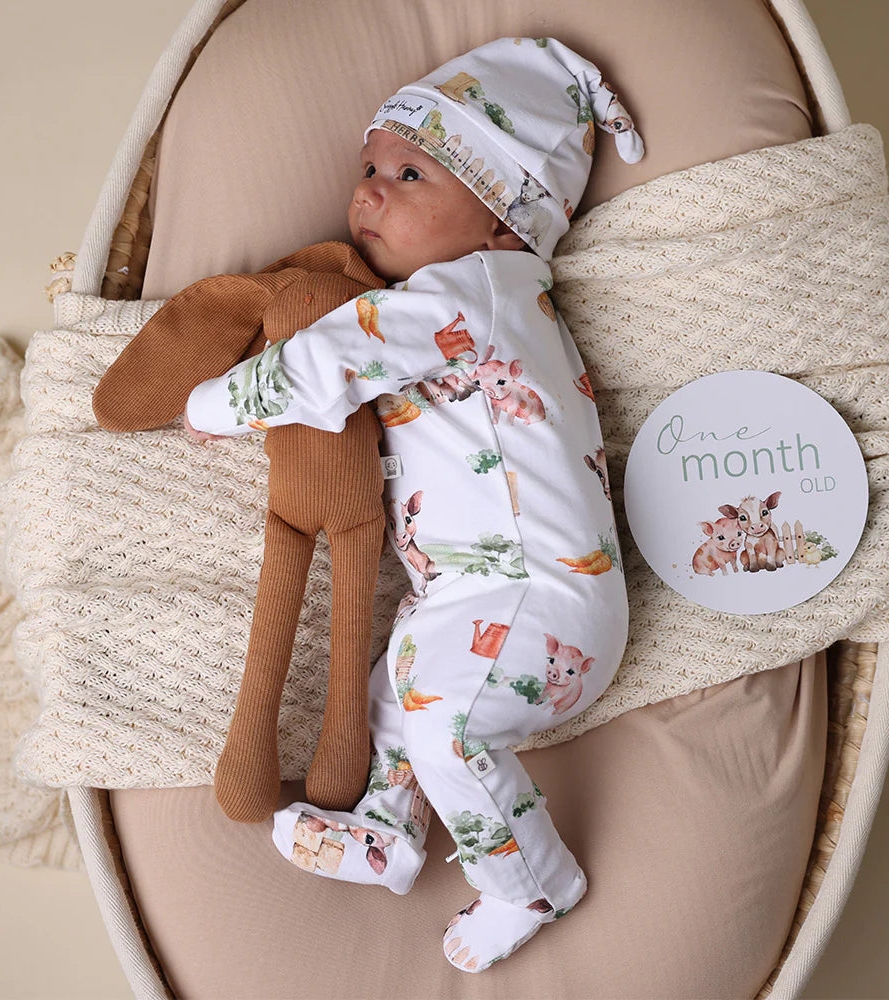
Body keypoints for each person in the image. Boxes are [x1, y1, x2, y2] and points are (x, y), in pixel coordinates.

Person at [185, 36, 643, 973]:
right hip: (472, 596)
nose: (368, 193)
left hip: (540, 596)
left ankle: (533, 882)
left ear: (505, 223)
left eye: (408, 175)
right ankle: (389, 830)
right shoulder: (471, 291)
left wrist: (221, 403)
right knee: (399, 687)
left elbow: (343, 356)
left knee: (445, 725)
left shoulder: (477, 289)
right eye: (368, 169)